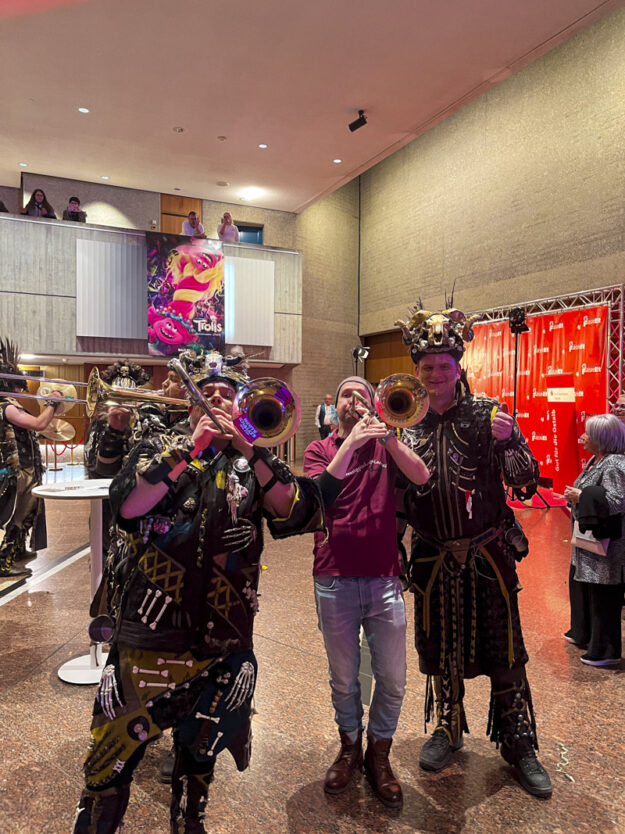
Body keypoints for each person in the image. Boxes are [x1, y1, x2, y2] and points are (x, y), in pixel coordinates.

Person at [72, 349, 323, 834]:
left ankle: (191, 823)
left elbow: (297, 511)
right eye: (205, 393)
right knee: (108, 762)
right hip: (148, 636)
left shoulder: (252, 460)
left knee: (200, 757)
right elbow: (126, 506)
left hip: (224, 640)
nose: (216, 399)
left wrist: (249, 446)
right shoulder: (158, 446)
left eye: (227, 394)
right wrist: (190, 448)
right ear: (189, 405)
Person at [396, 304, 552, 799]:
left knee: (503, 647)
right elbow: (397, 496)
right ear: (417, 370)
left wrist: (509, 443)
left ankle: (518, 741)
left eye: (444, 365)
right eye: (427, 366)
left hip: (488, 555)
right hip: (432, 556)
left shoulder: (487, 412)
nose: (436, 374)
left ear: (457, 366)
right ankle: (448, 725)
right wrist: (394, 551)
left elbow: (526, 479)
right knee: (441, 645)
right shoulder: (406, 420)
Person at [303, 376, 430, 808]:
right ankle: (349, 747)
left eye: (362, 395)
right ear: (334, 405)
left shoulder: (385, 445)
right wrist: (352, 441)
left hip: (383, 577)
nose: (353, 400)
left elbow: (421, 475)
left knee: (393, 680)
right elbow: (320, 496)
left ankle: (379, 754)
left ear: (374, 403)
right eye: (346, 395)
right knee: (344, 679)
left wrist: (387, 438)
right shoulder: (320, 449)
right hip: (333, 577)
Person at [563, 414, 625, 666]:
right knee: (585, 587)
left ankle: (605, 650)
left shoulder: (614, 465)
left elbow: (616, 501)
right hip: (586, 542)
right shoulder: (595, 460)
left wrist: (581, 496)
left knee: (603, 595)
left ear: (601, 438)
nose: (583, 437)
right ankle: (585, 634)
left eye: (588, 434)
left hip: (606, 547)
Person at [0, 339, 62, 577]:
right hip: (19, 472)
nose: (20, 392)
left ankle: (16, 553)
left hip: (25, 469)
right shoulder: (6, 407)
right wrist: (52, 403)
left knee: (25, 514)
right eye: (17, 387)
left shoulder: (9, 405)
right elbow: (38, 424)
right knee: (18, 516)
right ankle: (4, 562)